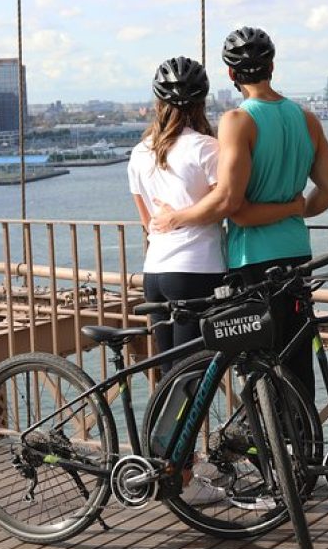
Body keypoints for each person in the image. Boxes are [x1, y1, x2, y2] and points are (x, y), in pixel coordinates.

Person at [128, 55, 301, 505]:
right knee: (196, 377)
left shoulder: (140, 153)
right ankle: (179, 479)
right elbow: (228, 202)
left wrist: (170, 224)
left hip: (156, 274)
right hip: (198, 272)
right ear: (203, 99)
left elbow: (148, 222)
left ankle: (167, 469)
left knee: (170, 376)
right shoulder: (205, 148)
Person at [152, 27, 328, 400]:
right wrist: (295, 209)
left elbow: (231, 205)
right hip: (297, 253)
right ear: (272, 66)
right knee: (297, 356)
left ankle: (269, 452)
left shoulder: (238, 120)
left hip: (253, 260)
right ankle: (304, 449)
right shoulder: (307, 119)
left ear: (231, 74)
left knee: (259, 360)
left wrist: (176, 218)